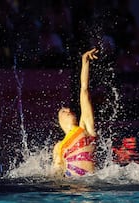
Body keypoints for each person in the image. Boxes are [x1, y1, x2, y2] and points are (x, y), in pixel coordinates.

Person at [52, 48, 98, 177]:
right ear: (59, 121)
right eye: (63, 111)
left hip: (91, 189)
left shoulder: (85, 128)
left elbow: (84, 90)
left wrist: (85, 62)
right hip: (71, 190)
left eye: (69, 109)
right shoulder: (58, 146)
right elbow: (56, 173)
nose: (68, 110)